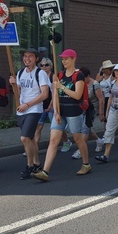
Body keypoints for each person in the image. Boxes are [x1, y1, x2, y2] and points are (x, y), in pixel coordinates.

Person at [32, 49, 92, 181]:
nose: (64, 61)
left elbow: (77, 95)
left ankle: (86, 164)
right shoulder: (59, 75)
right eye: (63, 59)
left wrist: (62, 87)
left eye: (66, 59)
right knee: (53, 140)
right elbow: (55, 95)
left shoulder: (79, 75)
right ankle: (45, 171)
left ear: (73, 59)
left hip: (74, 112)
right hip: (60, 112)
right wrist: (56, 112)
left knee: (78, 139)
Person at [9, 49, 51, 180]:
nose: (27, 59)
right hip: (22, 110)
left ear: (36, 59)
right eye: (25, 56)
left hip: (34, 110)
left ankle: (29, 165)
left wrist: (28, 104)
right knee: (31, 139)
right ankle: (37, 163)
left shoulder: (41, 73)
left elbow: (44, 94)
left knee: (24, 138)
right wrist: (13, 85)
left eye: (30, 57)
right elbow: (19, 93)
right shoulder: (20, 73)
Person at [70, 67, 105, 158]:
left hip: (92, 108)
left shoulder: (95, 84)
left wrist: (101, 113)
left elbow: (101, 99)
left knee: (85, 128)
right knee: (87, 127)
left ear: (88, 76)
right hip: (82, 108)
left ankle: (80, 150)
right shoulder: (80, 83)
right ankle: (99, 141)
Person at [31, 57, 54, 152]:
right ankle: (34, 148)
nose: (44, 67)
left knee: (54, 128)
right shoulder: (38, 75)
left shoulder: (53, 77)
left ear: (50, 66)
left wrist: (50, 106)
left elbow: (54, 94)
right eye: (42, 65)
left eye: (46, 65)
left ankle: (64, 141)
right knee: (38, 127)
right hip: (40, 105)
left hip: (51, 105)